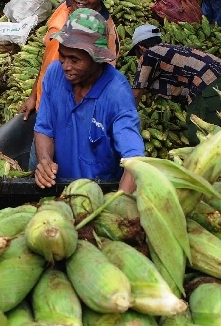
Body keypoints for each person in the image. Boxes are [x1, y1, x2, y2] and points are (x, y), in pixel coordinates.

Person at [33, 9, 145, 194]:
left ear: (97, 58)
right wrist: (45, 160)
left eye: (75, 60)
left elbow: (134, 161)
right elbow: (44, 128)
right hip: (61, 191)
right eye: (62, 55)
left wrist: (116, 205)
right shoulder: (55, 74)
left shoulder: (116, 94)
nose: (66, 66)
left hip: (100, 196)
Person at [129, 24, 221, 146]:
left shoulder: (149, 54)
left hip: (209, 86)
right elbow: (150, 85)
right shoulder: (170, 51)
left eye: (136, 54)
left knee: (202, 139)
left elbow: (136, 94)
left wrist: (128, 118)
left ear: (141, 48)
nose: (138, 59)